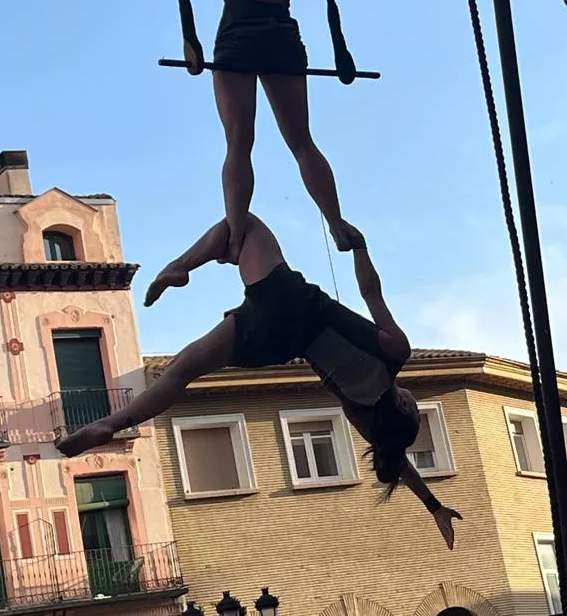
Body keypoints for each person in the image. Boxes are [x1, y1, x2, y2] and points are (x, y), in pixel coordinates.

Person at [53, 214, 462, 548]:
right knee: (182, 372)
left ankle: (179, 267)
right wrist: (432, 506)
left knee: (244, 224)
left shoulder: (395, 355)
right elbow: (393, 451)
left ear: (406, 406)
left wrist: (358, 246)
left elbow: (372, 293)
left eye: (415, 405)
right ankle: (112, 424)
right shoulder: (358, 408)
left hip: (290, 301)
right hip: (274, 342)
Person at [161, 0, 352, 263]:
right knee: (302, 142)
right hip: (282, 40)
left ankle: (233, 234)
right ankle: (336, 222)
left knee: (239, 143)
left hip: (238, 41)